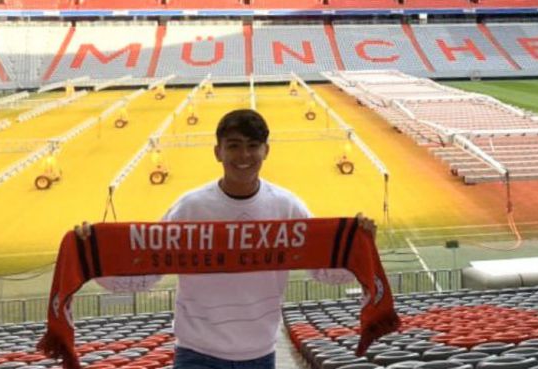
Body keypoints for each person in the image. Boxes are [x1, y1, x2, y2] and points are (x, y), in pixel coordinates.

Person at [76, 109, 376, 369]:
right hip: (196, 353)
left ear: (266, 151)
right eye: (234, 146)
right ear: (218, 151)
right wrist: (93, 254)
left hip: (260, 355)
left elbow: (323, 270)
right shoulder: (189, 208)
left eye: (252, 146)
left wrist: (360, 246)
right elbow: (148, 273)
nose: (244, 156)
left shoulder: (288, 207)